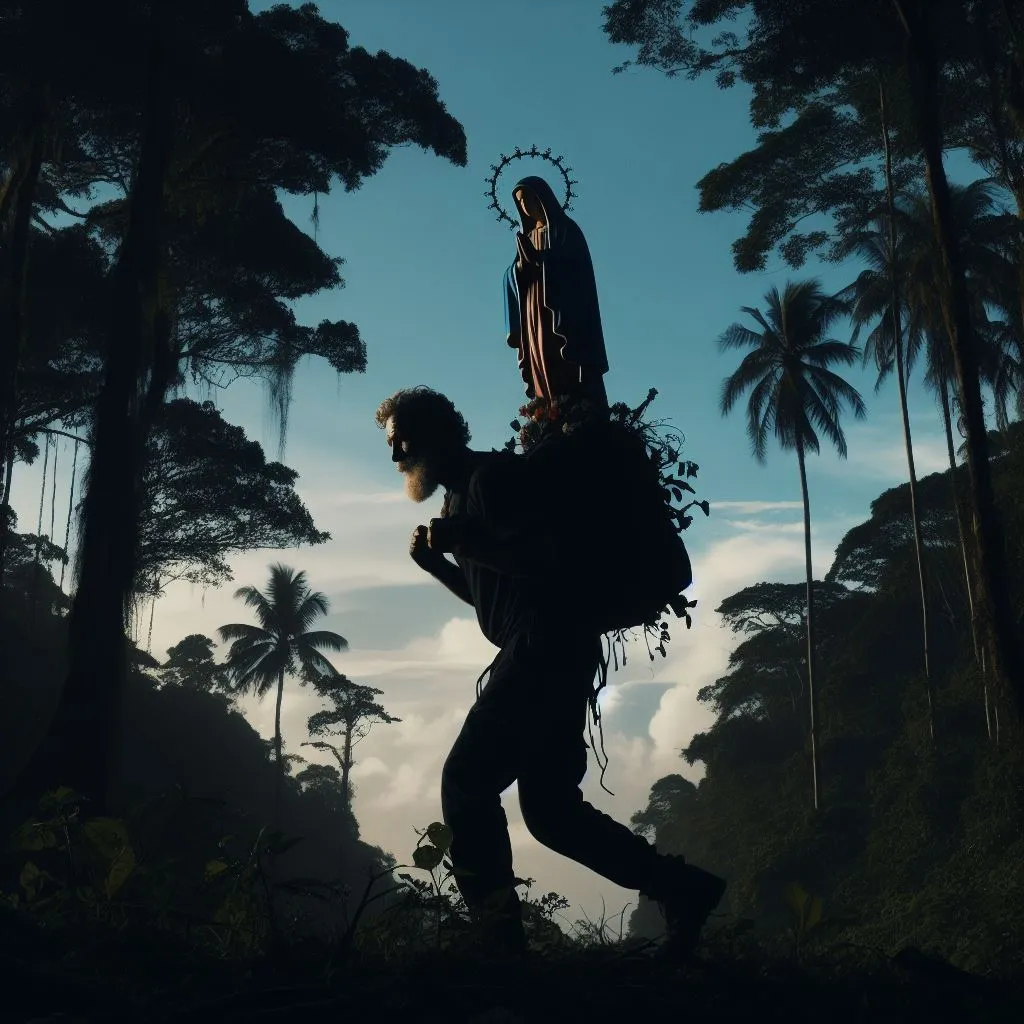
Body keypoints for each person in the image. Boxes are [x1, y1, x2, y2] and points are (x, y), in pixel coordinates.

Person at [374, 385, 726, 957]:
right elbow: (493, 599)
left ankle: (498, 940)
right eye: (392, 447)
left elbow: (545, 564)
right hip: (540, 648)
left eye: (403, 441)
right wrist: (439, 564)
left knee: (466, 780)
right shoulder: (457, 502)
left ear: (439, 431)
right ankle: (685, 888)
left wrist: (466, 542)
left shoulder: (492, 481)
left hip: (544, 646)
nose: (397, 458)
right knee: (552, 813)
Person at [504, 176, 609, 407]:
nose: (525, 206)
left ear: (542, 198)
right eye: (520, 202)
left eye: (528, 199)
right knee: (539, 357)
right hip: (533, 307)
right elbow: (511, 277)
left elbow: (576, 271)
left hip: (560, 310)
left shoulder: (566, 230)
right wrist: (520, 268)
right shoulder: (527, 237)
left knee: (560, 357)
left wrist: (543, 261)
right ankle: (549, 407)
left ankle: (573, 406)